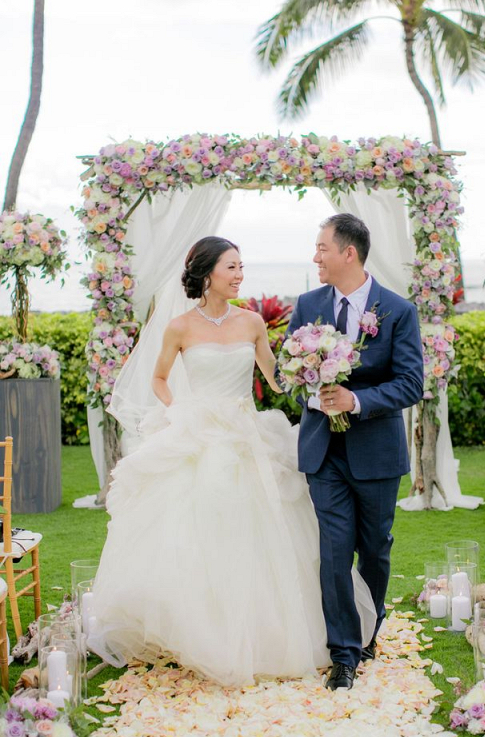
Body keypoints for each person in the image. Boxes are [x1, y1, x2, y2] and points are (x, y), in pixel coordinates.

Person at [88, 236, 375, 686]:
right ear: (207, 273)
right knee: (198, 530)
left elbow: (276, 381)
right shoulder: (180, 327)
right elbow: (160, 378)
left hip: (246, 434)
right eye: (232, 267)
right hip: (199, 431)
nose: (240, 274)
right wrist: (178, 409)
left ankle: (264, 633)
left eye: (242, 266)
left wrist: (314, 366)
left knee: (260, 530)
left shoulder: (253, 322)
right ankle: (198, 632)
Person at [287, 213, 424, 691]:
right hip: (323, 452)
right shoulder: (306, 305)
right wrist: (315, 395)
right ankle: (343, 653)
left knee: (375, 550)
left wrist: (356, 401)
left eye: (322, 247)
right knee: (333, 551)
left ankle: (370, 628)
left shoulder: (397, 310)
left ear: (349, 253)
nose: (315, 256)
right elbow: (292, 373)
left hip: (377, 453)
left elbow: (411, 383)